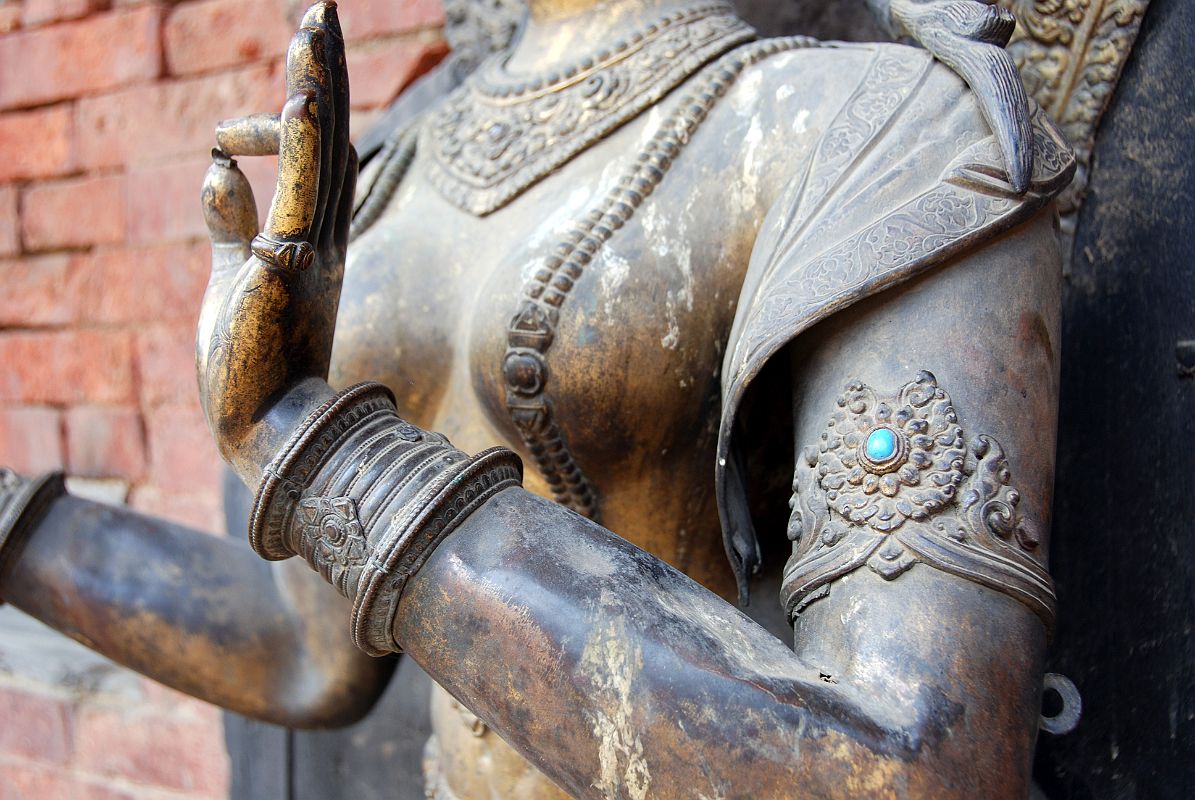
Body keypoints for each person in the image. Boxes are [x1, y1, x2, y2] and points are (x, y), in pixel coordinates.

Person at [0, 0, 1073, 796]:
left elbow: (917, 762)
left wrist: (323, 452)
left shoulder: (880, 124)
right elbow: (307, 653)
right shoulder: (391, 170)